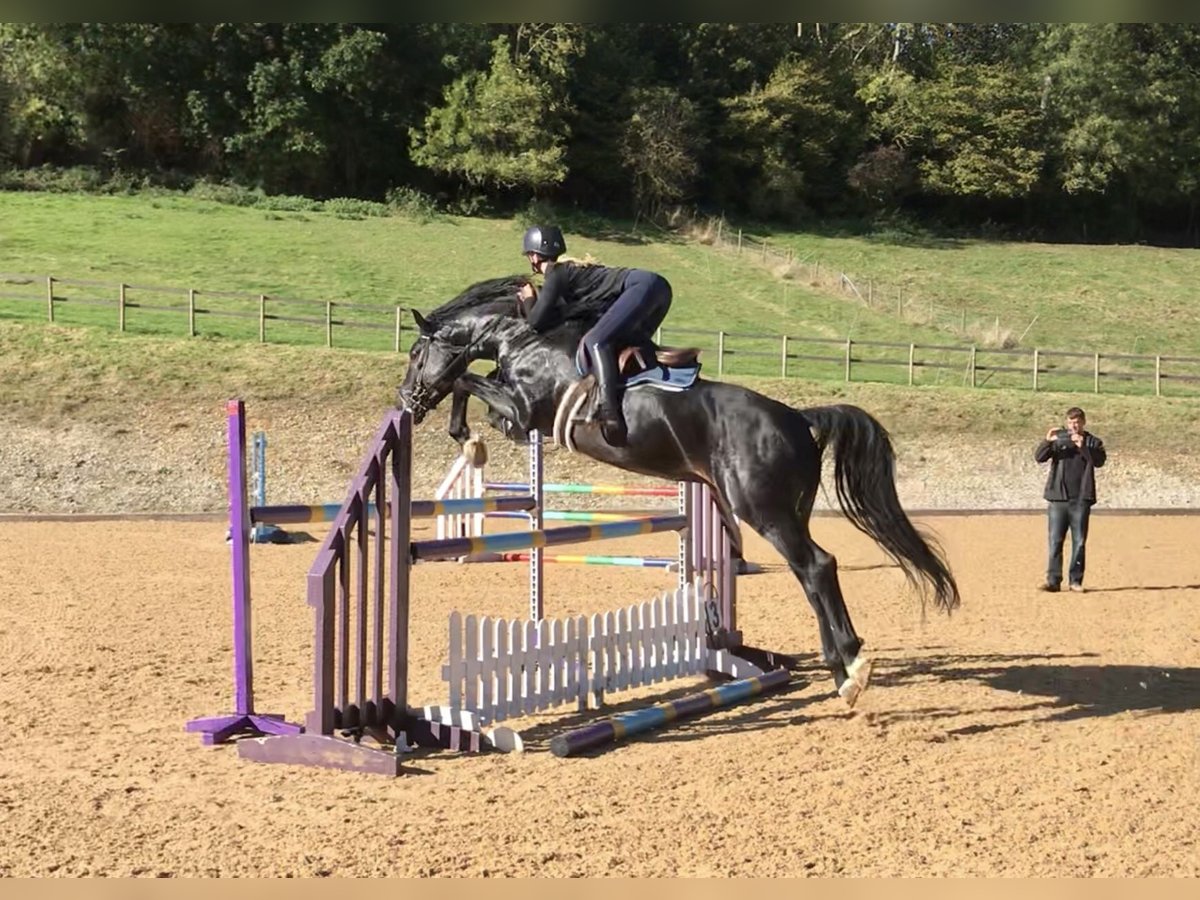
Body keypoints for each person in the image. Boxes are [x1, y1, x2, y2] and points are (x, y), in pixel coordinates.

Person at [517, 224, 672, 447]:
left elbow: (535, 322)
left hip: (642, 287)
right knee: (623, 346)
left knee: (596, 342)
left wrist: (529, 299)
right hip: (658, 289)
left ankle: (609, 413)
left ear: (533, 256)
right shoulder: (569, 273)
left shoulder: (556, 273)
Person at [1033, 406, 1107, 593]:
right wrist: (1047, 442)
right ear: (1067, 422)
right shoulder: (1060, 440)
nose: (1073, 425)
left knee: (1079, 541)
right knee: (1055, 540)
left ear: (1083, 422)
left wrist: (1083, 448)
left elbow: (1098, 462)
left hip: (1081, 499)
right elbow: (1040, 458)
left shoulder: (1093, 442)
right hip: (1058, 498)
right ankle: (1053, 580)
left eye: (1077, 422)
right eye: (1070, 422)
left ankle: (1075, 581)